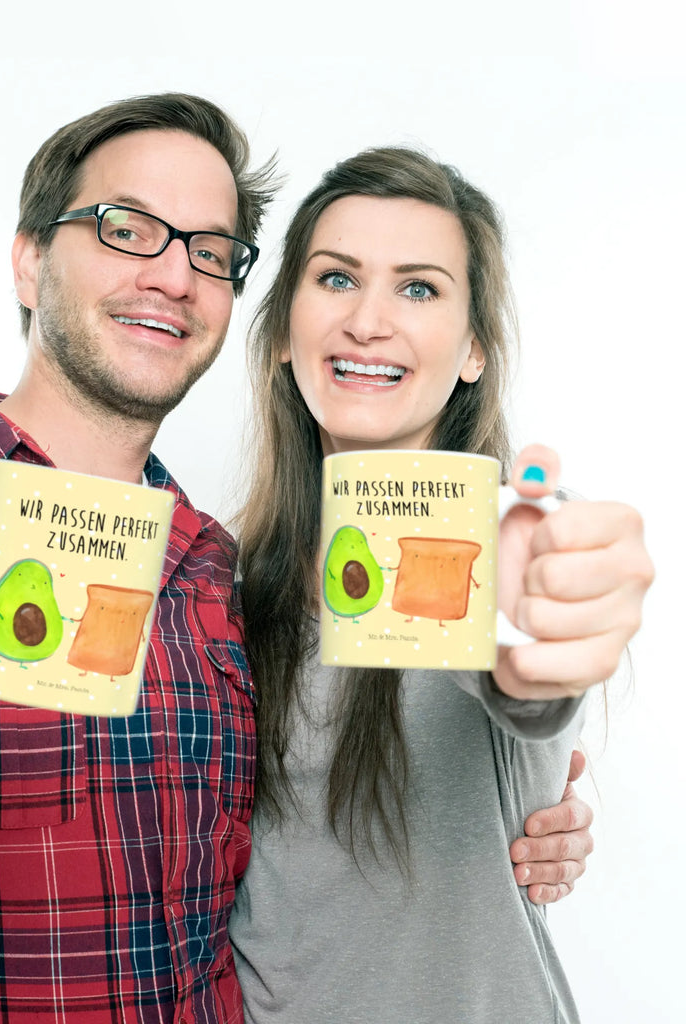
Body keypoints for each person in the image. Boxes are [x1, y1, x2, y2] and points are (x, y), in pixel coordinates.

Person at [0, 94, 601, 1024]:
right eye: (127, 228)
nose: (172, 274)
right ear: (29, 260)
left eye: (209, 251)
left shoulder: (216, 574)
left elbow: (492, 692)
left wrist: (531, 764)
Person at [228, 147, 654, 1022]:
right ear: (280, 333)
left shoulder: (511, 544)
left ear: (473, 351)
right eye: (337, 279)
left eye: (418, 288)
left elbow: (528, 682)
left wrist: (545, 640)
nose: (368, 322)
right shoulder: (225, 584)